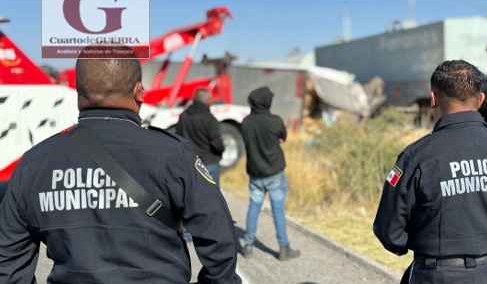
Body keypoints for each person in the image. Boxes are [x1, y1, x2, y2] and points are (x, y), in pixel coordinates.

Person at [0, 55, 242, 284]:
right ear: (139, 92)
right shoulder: (173, 155)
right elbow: (218, 236)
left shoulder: (33, 164)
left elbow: (8, 260)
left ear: (78, 93)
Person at [373, 60, 487, 284]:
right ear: (480, 100)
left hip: (437, 275)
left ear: (433, 99)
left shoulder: (416, 157)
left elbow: (389, 232)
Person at [240, 86, 300, 261]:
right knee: (278, 210)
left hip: (255, 174)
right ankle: (283, 248)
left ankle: (248, 246)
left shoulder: (245, 122)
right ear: (267, 102)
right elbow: (283, 137)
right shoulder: (275, 121)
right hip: (274, 173)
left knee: (254, 208)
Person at [176, 87, 225, 186]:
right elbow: (217, 144)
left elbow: (178, 138)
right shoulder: (210, 119)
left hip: (189, 163)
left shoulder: (183, 116)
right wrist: (221, 150)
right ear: (208, 101)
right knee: (213, 198)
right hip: (209, 163)